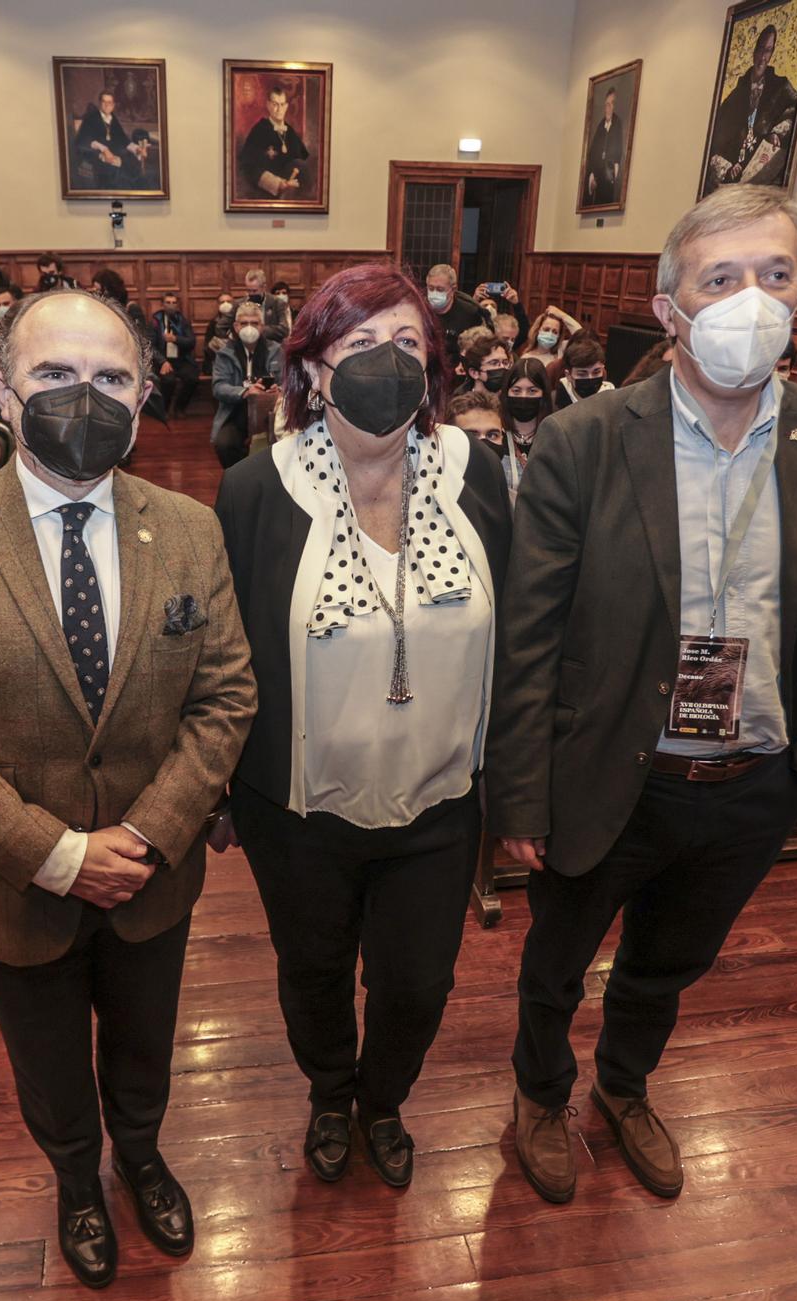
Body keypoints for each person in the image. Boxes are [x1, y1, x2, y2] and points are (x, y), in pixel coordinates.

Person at [491, 185, 797, 1207]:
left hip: (750, 774)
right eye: (720, 278)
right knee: (556, 963)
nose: (752, 298)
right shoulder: (587, 439)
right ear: (669, 308)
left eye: (775, 274)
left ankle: (621, 1086)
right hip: (614, 764)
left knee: (666, 962)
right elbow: (529, 634)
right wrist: (519, 794)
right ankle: (535, 1092)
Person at [0, 287, 256, 1289]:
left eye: (109, 378)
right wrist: (57, 853)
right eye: (53, 375)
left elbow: (224, 700)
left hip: (151, 873)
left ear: (141, 398)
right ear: (3, 392)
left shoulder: (189, 529)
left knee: (145, 1043)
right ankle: (76, 1180)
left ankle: (139, 1153)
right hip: (13, 882)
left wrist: (148, 834)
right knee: (46, 1061)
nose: (80, 397)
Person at [212, 262, 509, 1190]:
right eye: (360, 345)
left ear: (434, 366)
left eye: (407, 343)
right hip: (298, 806)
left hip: (439, 799)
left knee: (419, 982)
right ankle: (330, 1093)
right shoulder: (256, 489)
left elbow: (525, 626)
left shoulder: (478, 472)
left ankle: (384, 1098)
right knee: (312, 968)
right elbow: (226, 656)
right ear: (311, 368)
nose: (387, 362)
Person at [705, 24, 797, 193]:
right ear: (754, 51)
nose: (763, 57)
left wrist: (778, 132)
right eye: (761, 49)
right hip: (735, 179)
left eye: (768, 50)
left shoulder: (780, 86)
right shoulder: (737, 94)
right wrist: (727, 167)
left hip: (763, 171)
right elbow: (715, 137)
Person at [211, 300, 283, 470]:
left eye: (254, 323)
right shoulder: (225, 353)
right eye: (244, 323)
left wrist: (278, 389)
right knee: (224, 444)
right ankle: (239, 478)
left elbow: (289, 382)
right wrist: (245, 391)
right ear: (236, 326)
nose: (249, 328)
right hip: (236, 411)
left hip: (271, 412)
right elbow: (219, 387)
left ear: (262, 326)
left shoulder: (276, 350)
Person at [237, 85, 314, 200]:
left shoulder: (290, 132)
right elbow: (248, 167)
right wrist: (277, 184)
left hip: (293, 196)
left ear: (287, 106)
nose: (279, 109)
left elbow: (302, 163)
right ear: (268, 105)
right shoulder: (259, 130)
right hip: (266, 195)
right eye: (275, 104)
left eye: (282, 104)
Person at [498, 357, 553, 503]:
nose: (524, 396)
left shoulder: (555, 435)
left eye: (532, 391)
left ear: (544, 394)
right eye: (516, 391)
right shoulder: (496, 433)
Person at [148, 292, 199, 419]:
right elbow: (150, 346)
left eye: (174, 303)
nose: (171, 305)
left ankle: (180, 408)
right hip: (163, 361)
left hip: (181, 360)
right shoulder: (155, 321)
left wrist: (175, 339)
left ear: (177, 305)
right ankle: (164, 409)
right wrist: (162, 362)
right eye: (168, 302)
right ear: (162, 304)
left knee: (192, 378)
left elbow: (191, 342)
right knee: (168, 380)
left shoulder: (183, 321)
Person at [72, 89, 130, 190]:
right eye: (104, 102)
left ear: (113, 105)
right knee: (113, 170)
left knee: (130, 165)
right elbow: (84, 140)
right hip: (92, 155)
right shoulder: (91, 118)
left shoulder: (113, 118)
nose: (107, 105)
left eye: (109, 102)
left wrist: (136, 148)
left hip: (111, 153)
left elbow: (123, 139)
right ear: (100, 103)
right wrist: (103, 149)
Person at [583, 84, 627, 207]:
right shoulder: (600, 126)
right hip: (597, 181)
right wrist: (592, 176)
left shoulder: (618, 125)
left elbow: (617, 156)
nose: (607, 108)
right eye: (606, 105)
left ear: (615, 106)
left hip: (609, 180)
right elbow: (593, 154)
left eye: (610, 104)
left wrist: (610, 175)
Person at [424, 265, 489, 343]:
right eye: (431, 288)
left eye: (440, 289)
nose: (434, 293)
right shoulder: (420, 309)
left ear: (453, 289)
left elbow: (477, 348)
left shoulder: (469, 312)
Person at [552, 335, 613, 408]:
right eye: (582, 374)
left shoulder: (612, 400)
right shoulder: (553, 401)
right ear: (568, 375)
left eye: (596, 372)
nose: (590, 378)